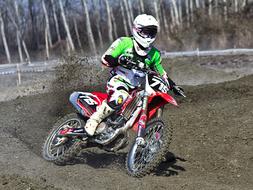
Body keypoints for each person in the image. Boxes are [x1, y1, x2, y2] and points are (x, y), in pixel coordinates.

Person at [84, 14, 182, 136]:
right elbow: (105, 58)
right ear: (137, 30)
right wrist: (119, 60)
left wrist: (173, 86)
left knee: (145, 100)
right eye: (146, 32)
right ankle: (94, 120)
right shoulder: (124, 42)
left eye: (152, 32)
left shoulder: (154, 54)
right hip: (119, 80)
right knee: (120, 96)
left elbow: (161, 73)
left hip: (137, 87)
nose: (149, 36)